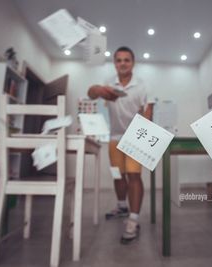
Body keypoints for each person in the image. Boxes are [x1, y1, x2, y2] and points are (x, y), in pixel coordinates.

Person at [87, 46, 153, 244]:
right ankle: (121, 206)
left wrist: (142, 137)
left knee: (133, 175)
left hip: (134, 136)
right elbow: (91, 93)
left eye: (127, 60)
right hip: (114, 137)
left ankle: (133, 220)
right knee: (118, 175)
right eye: (119, 60)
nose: (123, 63)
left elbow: (148, 113)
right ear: (115, 63)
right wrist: (98, 90)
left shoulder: (142, 86)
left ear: (133, 63)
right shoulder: (109, 83)